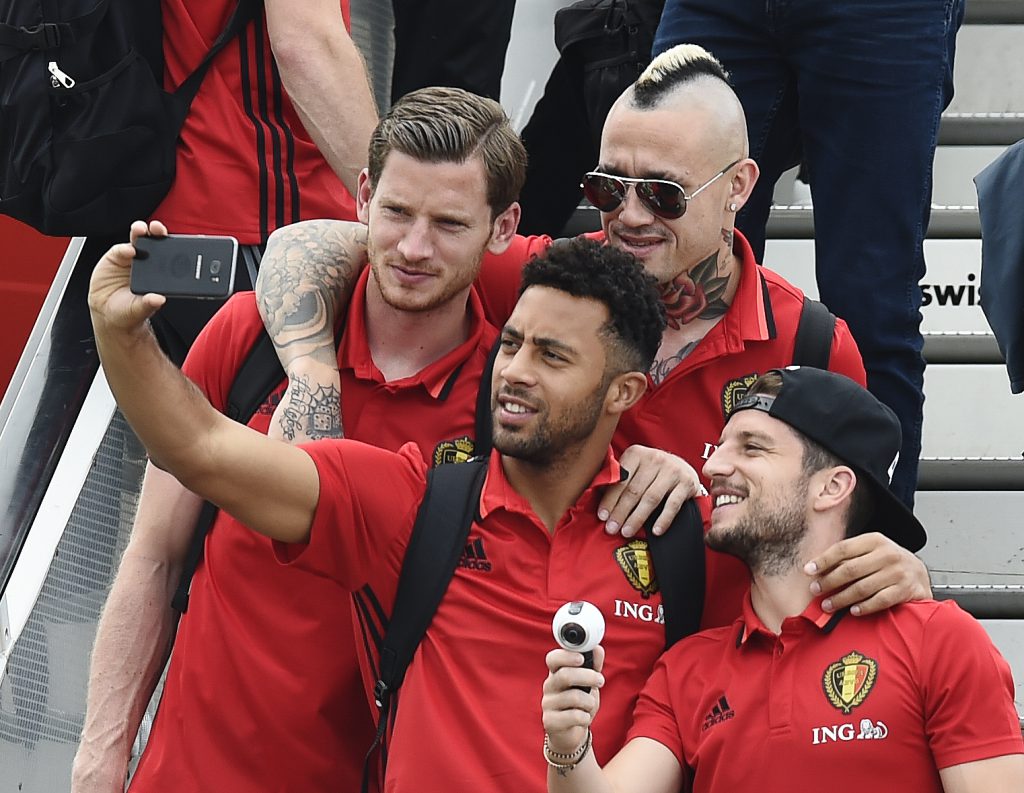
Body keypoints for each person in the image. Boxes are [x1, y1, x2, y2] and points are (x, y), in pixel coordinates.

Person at [71, 89, 696, 793]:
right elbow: (153, 555)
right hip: (189, 774)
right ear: (363, 197)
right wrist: (102, 750)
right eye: (397, 211)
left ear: (504, 228)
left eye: (449, 223)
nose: (414, 247)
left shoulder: (520, 410)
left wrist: (659, 461)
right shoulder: (250, 339)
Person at [259, 45, 926, 624]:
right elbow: (317, 246)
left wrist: (901, 577)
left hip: (702, 710)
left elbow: (845, 547)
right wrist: (313, 376)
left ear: (739, 189)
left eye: (663, 193)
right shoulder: (551, 281)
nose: (628, 216)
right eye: (607, 187)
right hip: (529, 674)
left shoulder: (811, 346)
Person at [541, 367, 1024, 793]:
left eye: (751, 448)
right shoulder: (685, 668)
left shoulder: (939, 640)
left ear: (831, 487)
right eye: (722, 444)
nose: (712, 466)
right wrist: (568, 746)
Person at [653, 0, 968, 508]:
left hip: (884, 15)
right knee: (672, 276)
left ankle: (862, 562)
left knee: (871, 308)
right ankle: (656, 551)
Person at [145, 0, 379, 364]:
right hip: (261, 231)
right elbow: (306, 45)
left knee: (201, 420)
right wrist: (391, 205)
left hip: (176, 222)